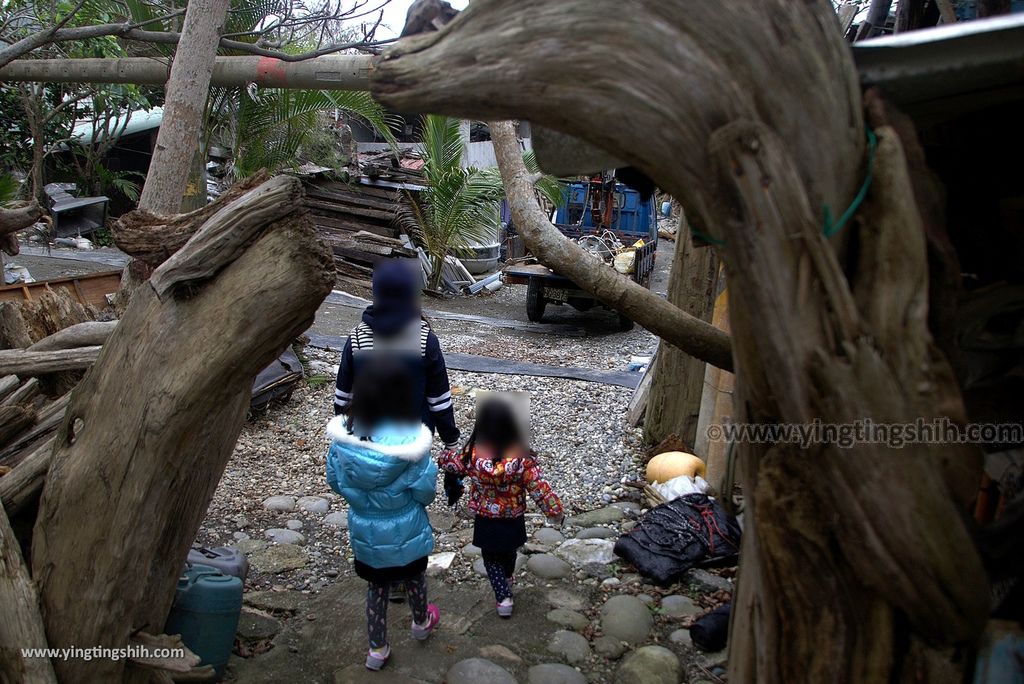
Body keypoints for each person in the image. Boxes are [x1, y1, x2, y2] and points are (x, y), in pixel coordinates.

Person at [326, 357, 440, 671]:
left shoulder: (343, 441)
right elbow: (426, 490)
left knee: (376, 588)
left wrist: (359, 499)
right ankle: (421, 621)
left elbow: (334, 480)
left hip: (365, 530)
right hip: (407, 526)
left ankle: (377, 649)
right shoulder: (411, 442)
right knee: (415, 577)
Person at [334, 258, 464, 512]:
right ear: (411, 294)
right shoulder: (425, 338)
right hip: (413, 439)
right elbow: (439, 399)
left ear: (376, 292)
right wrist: (451, 442)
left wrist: (341, 435)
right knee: (409, 500)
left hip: (367, 436)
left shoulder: (358, 336)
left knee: (370, 496)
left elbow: (343, 394)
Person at [438, 398, 563, 618]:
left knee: (490, 558)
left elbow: (452, 463)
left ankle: (503, 596)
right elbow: (540, 489)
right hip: (513, 519)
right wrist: (554, 512)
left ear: (481, 426)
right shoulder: (522, 459)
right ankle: (507, 579)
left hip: (487, 519)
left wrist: (442, 458)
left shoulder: (472, 456)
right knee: (509, 552)